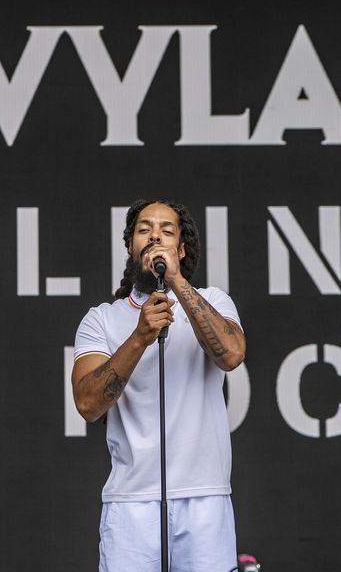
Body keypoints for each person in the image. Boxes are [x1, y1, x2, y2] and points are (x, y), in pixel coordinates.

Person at [72, 199, 246, 572]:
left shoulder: (213, 301)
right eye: (144, 229)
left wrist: (177, 282)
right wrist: (139, 338)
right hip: (131, 502)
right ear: (131, 247)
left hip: (205, 497)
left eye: (167, 231)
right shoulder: (102, 320)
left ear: (181, 250)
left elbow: (231, 354)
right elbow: (87, 404)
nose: (155, 236)